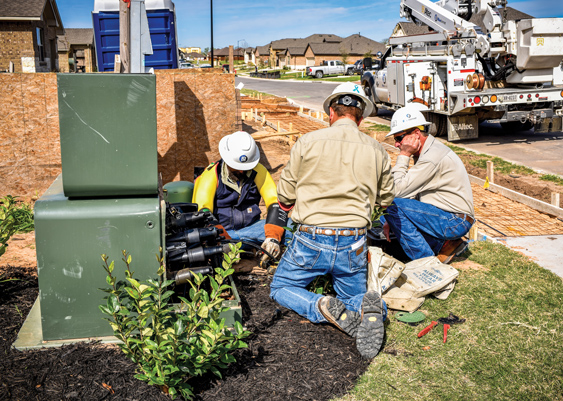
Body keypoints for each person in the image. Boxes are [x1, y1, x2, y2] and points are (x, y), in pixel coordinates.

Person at [270, 82, 396, 359]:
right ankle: (367, 308)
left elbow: (285, 195)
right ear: (360, 118)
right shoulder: (377, 149)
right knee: (353, 295)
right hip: (353, 240)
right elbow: (386, 198)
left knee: (281, 287)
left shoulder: (307, 142)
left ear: (330, 112)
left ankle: (321, 305)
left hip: (311, 237)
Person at [382, 106, 475, 262]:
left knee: (391, 205)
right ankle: (445, 244)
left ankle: (425, 262)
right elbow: (410, 193)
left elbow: (395, 192)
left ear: (416, 134)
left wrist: (404, 155)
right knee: (391, 212)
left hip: (454, 221)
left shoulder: (432, 157)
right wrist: (388, 220)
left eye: (399, 138)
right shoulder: (429, 151)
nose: (397, 144)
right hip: (451, 217)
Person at [191, 131, 288, 264]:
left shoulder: (259, 171)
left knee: (291, 228)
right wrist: (222, 240)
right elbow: (203, 211)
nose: (241, 171)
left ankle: (265, 251)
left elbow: (274, 202)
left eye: (246, 167)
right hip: (223, 234)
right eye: (237, 167)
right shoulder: (210, 175)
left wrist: (273, 237)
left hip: (252, 231)